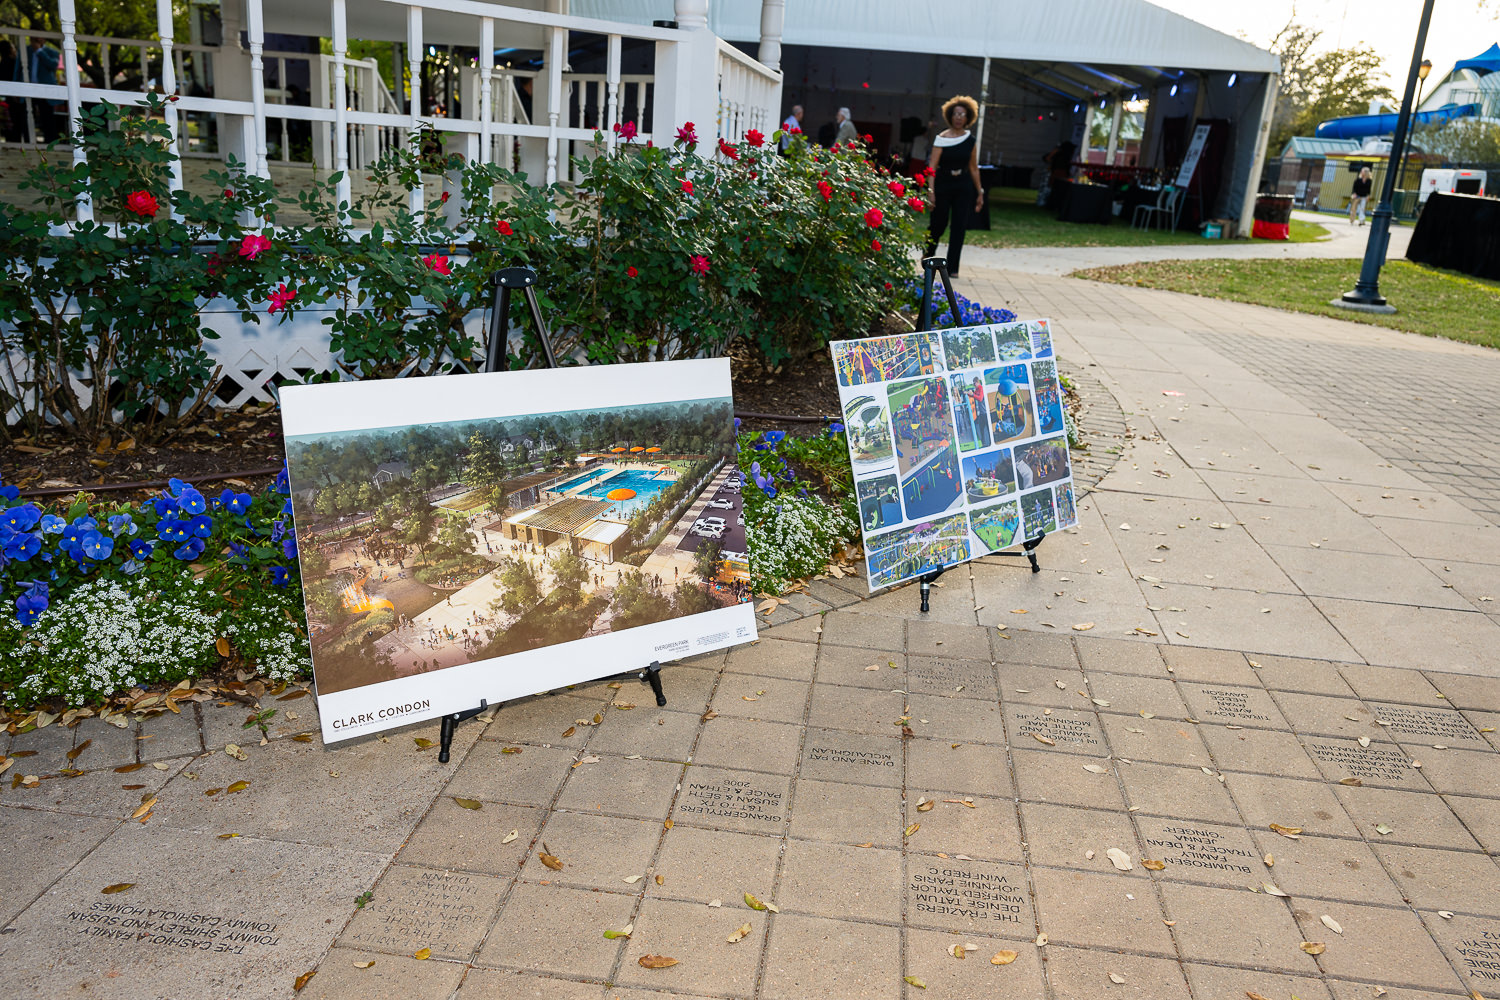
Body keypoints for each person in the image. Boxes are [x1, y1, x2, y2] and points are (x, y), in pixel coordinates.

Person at [924, 95, 985, 277]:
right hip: (943, 183)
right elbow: (931, 168)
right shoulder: (941, 139)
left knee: (959, 225)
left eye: (962, 114)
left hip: (963, 185)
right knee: (938, 223)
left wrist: (980, 191)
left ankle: (953, 268)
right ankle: (928, 256)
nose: (959, 117)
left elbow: (973, 168)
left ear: (968, 118)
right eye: (956, 114)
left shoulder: (970, 140)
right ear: (950, 116)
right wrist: (930, 191)